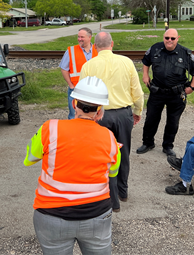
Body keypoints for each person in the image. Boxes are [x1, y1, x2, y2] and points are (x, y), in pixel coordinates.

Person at [24, 76, 120, 255]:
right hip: (97, 215)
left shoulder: (49, 128)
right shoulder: (109, 137)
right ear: (100, 111)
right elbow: (113, 171)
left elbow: (29, 158)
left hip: (51, 215)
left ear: (74, 103)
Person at [80, 32, 144, 212]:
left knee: (102, 157)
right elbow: (137, 92)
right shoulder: (127, 62)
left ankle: (110, 198)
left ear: (95, 46)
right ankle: (123, 192)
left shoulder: (88, 66)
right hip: (124, 115)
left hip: (100, 115)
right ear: (112, 44)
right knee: (123, 154)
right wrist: (137, 111)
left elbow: (83, 96)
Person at [137, 28, 194, 157]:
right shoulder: (155, 48)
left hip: (176, 94)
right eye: (167, 38)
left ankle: (168, 146)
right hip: (157, 92)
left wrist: (192, 87)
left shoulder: (185, 53)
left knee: (173, 121)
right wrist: (145, 75)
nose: (169, 41)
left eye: (172, 38)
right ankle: (148, 143)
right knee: (151, 119)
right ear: (164, 37)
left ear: (178, 38)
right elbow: (146, 61)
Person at [59, 27, 98, 119]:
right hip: (76, 90)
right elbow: (64, 69)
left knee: (93, 117)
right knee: (74, 116)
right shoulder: (71, 51)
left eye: (82, 37)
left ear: (90, 37)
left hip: (94, 90)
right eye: (78, 37)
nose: (79, 39)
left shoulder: (98, 50)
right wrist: (70, 85)